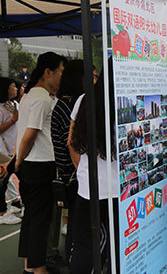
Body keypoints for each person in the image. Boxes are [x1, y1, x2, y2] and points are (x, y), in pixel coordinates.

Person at [15, 52, 66, 274]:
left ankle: (29, 265)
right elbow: (30, 134)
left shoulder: (28, 96)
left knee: (31, 217)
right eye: (60, 72)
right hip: (39, 164)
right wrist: (17, 161)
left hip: (31, 164)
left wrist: (19, 162)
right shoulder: (42, 98)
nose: (61, 77)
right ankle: (39, 269)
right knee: (40, 220)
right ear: (48, 72)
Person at [68, 59, 119, 273]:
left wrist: (84, 172)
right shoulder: (126, 100)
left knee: (85, 247)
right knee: (115, 249)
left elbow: (71, 142)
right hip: (118, 192)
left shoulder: (84, 99)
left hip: (88, 189)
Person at [50, 60, 85, 263]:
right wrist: (81, 169)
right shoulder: (71, 104)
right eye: (90, 75)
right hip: (73, 174)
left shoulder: (63, 104)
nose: (93, 80)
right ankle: (74, 259)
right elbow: (70, 142)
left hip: (68, 172)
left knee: (75, 220)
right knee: (77, 222)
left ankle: (73, 257)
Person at [0, 77, 22, 225]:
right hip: (2, 150)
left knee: (8, 178)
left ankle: (15, 203)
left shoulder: (14, 104)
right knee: (2, 181)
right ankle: (2, 212)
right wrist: (12, 121)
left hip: (14, 149)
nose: (16, 88)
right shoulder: (0, 108)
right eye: (13, 86)